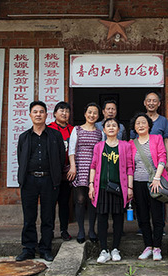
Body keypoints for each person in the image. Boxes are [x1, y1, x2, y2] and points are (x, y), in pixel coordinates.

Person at [16, 101, 66, 262]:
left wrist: (56, 177)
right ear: (30, 115)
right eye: (35, 112)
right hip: (29, 180)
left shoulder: (55, 135)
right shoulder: (24, 137)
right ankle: (28, 249)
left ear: (46, 115)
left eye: (41, 112)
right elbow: (21, 158)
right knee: (29, 217)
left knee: (48, 216)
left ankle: (45, 249)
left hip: (48, 180)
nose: (38, 114)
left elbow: (60, 157)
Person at [88, 118, 134, 263]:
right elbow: (93, 166)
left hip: (119, 188)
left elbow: (129, 167)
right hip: (101, 188)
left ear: (119, 130)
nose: (111, 128)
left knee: (118, 219)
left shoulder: (125, 146)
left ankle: (115, 249)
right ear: (104, 130)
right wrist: (90, 185)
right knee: (101, 219)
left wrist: (130, 188)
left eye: (114, 125)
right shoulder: (99, 146)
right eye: (108, 126)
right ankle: (103, 250)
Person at [129, 113, 168, 261]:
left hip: (155, 182)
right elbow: (129, 166)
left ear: (149, 125)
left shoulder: (157, 139)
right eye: (137, 123)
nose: (140, 125)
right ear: (134, 127)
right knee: (142, 216)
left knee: (157, 215)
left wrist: (156, 178)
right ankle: (148, 246)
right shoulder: (131, 143)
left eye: (143, 122)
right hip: (137, 183)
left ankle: (157, 247)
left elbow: (162, 157)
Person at [68, 102, 103, 244]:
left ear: (98, 116)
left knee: (93, 200)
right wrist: (72, 166)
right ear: (85, 114)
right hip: (80, 166)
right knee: (80, 200)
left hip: (95, 168)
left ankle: (92, 230)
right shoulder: (77, 130)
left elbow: (102, 150)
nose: (92, 115)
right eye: (89, 112)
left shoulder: (100, 132)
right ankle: (81, 230)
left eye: (95, 113)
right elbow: (72, 150)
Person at [47, 101, 74, 241]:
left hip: (67, 174)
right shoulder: (49, 129)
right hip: (52, 174)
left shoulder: (73, 130)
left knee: (64, 203)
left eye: (67, 111)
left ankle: (64, 230)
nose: (64, 113)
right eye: (61, 110)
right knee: (50, 204)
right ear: (55, 113)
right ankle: (49, 231)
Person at [130, 92, 168, 172]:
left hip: (157, 160)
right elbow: (131, 141)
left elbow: (166, 141)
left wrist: (167, 161)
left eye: (154, 101)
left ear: (159, 103)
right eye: (149, 100)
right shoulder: (138, 120)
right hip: (139, 159)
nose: (151, 103)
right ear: (145, 103)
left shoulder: (163, 120)